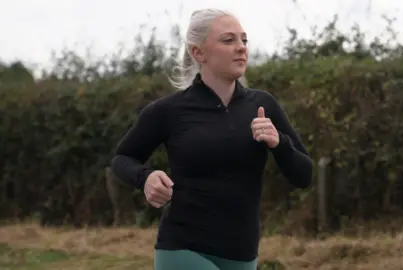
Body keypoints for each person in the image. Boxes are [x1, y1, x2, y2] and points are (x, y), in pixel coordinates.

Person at [110, 8, 313, 270]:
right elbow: (122, 158)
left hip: (242, 255)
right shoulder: (168, 111)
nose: (241, 48)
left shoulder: (264, 105)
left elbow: (304, 176)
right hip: (183, 248)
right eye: (228, 40)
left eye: (244, 40)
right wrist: (145, 177)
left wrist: (279, 143)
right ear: (198, 53)